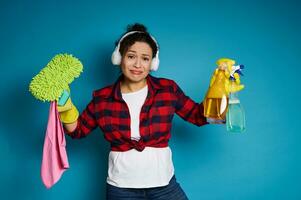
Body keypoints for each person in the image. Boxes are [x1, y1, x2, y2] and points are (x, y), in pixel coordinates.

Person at [58, 23, 210, 200]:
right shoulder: (103, 98)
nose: (138, 64)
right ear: (119, 57)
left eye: (145, 58)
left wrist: (219, 93)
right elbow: (77, 131)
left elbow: (199, 116)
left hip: (164, 185)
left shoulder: (167, 89)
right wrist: (66, 107)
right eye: (131, 56)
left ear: (152, 62)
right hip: (121, 189)